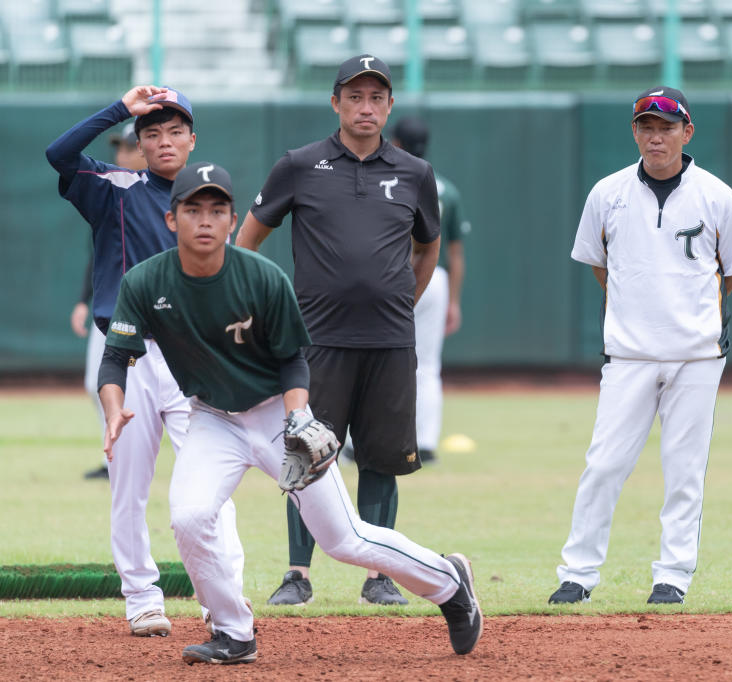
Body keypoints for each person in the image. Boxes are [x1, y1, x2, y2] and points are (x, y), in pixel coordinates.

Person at [98, 161, 482, 664]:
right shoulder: (146, 282)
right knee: (190, 517)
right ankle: (235, 632)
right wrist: (113, 409)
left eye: (217, 209)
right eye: (193, 209)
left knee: (343, 539)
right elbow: (115, 357)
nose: (206, 220)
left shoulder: (260, 278)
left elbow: (293, 360)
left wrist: (299, 418)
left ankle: (448, 582)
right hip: (212, 418)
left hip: (276, 415)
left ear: (233, 220)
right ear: (173, 220)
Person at [236, 55, 441, 607]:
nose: (366, 107)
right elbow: (246, 241)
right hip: (316, 342)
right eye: (355, 97)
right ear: (336, 103)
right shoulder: (299, 166)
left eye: (376, 97)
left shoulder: (414, 174)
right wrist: (263, 307)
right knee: (305, 454)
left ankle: (380, 576)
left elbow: (428, 248)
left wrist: (402, 300)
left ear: (390, 106)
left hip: (390, 341)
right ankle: (296, 574)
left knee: (381, 459)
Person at [547, 87, 732, 606]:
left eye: (667, 126)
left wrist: (684, 313)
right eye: (646, 126)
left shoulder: (718, 196)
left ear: (687, 132)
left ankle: (673, 576)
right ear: (635, 132)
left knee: (684, 470)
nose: (655, 136)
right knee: (603, 465)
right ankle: (577, 574)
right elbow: (600, 264)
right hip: (628, 354)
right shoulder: (608, 193)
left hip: (696, 355)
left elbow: (730, 273)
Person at [46, 86, 243, 637]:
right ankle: (141, 597)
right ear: (139, 142)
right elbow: (58, 155)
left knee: (210, 483)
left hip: (194, 358)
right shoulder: (116, 188)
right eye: (152, 132)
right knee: (127, 484)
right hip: (129, 358)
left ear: (192, 139)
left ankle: (220, 596)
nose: (164, 140)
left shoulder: (209, 201)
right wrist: (119, 108)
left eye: (175, 130)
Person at [390, 116, 470, 464]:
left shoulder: (389, 180)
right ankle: (425, 443)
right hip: (434, 276)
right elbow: (455, 253)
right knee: (427, 365)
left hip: (391, 274)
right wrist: (453, 300)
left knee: (368, 358)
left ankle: (352, 443)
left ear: (395, 143)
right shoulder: (445, 189)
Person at [71, 122, 147, 480]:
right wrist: (84, 300)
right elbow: (99, 254)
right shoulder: (110, 189)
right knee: (95, 383)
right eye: (119, 147)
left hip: (151, 316)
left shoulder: (162, 195)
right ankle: (114, 455)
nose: (121, 152)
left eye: (128, 146)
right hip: (110, 307)